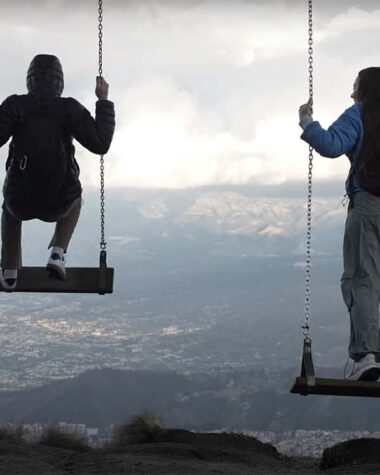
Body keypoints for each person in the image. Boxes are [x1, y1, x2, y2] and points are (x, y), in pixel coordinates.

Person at [0, 54, 115, 290]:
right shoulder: (69, 109)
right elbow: (100, 144)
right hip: (59, 201)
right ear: (59, 83)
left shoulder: (15, 106)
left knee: (10, 214)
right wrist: (102, 100)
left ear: (29, 81)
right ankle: (58, 253)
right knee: (76, 200)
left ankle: (9, 271)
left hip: (19, 199)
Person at [299, 67, 380, 381]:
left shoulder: (361, 113)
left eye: (355, 86)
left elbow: (331, 145)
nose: (351, 93)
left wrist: (307, 121)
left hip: (370, 208)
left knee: (363, 280)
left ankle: (367, 356)